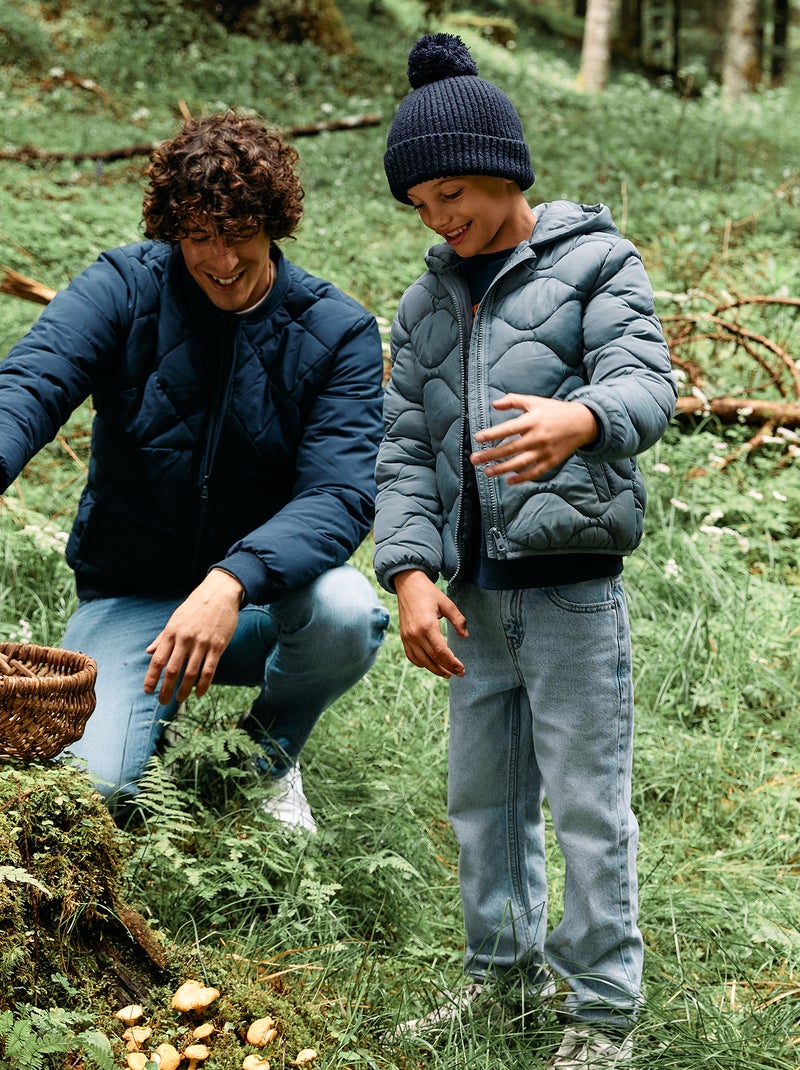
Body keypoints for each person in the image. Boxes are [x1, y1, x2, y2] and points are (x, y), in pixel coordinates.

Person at [374, 33, 677, 1068]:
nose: (439, 217)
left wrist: (579, 419)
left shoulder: (595, 260)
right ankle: (496, 980)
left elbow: (648, 385)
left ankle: (599, 1011)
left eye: (451, 191)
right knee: (482, 800)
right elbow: (406, 450)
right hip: (467, 598)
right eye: (419, 204)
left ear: (505, 170)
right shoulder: (424, 303)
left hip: (569, 594)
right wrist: (410, 574)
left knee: (587, 801)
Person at [0, 112, 390, 833]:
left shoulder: (338, 333)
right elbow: (32, 381)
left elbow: (340, 493)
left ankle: (264, 756)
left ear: (275, 224)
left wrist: (232, 579)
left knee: (346, 612)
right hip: (134, 598)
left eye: (239, 236)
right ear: (171, 228)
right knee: (95, 791)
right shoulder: (122, 286)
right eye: (199, 237)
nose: (220, 260)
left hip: (260, 602)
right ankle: (150, 716)